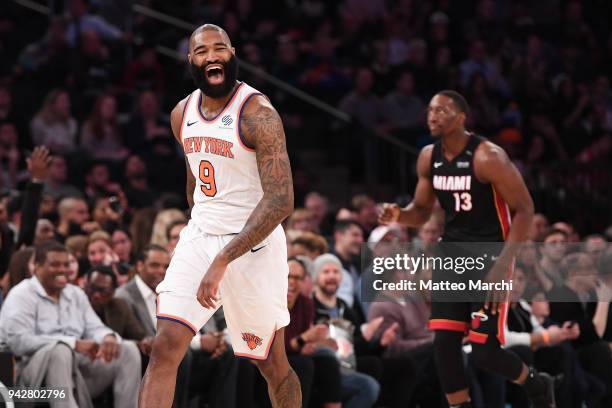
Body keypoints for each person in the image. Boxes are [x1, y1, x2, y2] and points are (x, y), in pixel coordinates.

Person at [140, 24, 300, 408]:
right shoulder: (182, 114)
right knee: (164, 348)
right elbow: (194, 182)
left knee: (271, 363)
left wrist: (224, 257)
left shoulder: (258, 113)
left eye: (219, 48)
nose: (211, 56)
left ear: (232, 53)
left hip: (253, 244)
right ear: (191, 61)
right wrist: (203, 238)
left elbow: (281, 200)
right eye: (201, 51)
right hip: (202, 236)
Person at [379, 90, 554, 407]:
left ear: (461, 117)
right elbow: (420, 211)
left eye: (442, 110)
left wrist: (504, 264)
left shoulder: (488, 157)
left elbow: (525, 209)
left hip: (490, 255)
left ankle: (536, 383)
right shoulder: (427, 157)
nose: (433, 115)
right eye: (430, 110)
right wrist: (399, 214)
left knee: (485, 352)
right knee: (444, 344)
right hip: (451, 253)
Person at [0, 241, 140, 408]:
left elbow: (94, 327)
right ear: (36, 267)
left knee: (127, 349)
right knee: (60, 350)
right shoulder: (22, 294)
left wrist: (108, 337)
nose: (62, 270)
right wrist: (72, 343)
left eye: (66, 264)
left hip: (76, 376)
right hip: (30, 386)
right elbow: (18, 342)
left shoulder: (75, 293)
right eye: (55, 264)